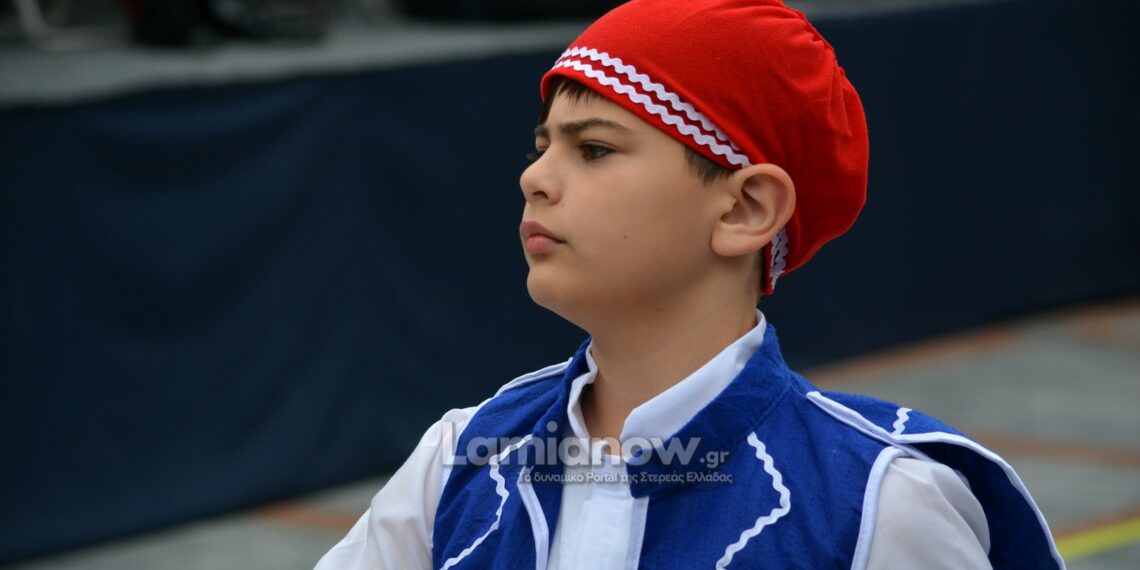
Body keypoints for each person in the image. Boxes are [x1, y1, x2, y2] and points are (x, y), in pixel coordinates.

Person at [315, 1, 1064, 568]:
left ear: (745, 209)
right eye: (541, 148)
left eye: (594, 149)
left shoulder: (877, 500)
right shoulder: (461, 456)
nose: (534, 178)